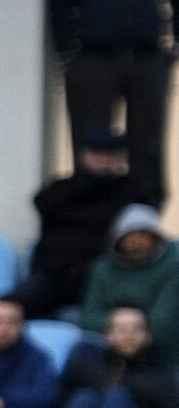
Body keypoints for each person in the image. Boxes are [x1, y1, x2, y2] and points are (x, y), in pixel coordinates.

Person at [50, 0, 179, 205]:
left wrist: (172, 50)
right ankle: (90, 214)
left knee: (147, 145)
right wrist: (67, 53)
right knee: (91, 142)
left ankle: (144, 218)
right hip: (94, 58)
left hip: (146, 57)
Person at [10, 130, 149, 319]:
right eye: (97, 153)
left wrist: (73, 213)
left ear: (119, 158)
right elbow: (43, 203)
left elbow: (138, 222)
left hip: (99, 279)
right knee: (8, 309)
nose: (103, 160)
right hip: (52, 274)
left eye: (109, 154)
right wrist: (91, 182)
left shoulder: (129, 191)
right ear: (85, 156)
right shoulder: (64, 187)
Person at [79, 203, 179, 362]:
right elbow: (89, 315)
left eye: (142, 235)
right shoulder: (102, 268)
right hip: (110, 339)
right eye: (130, 236)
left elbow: (163, 319)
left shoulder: (172, 265)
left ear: (155, 238)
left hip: (157, 343)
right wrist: (119, 324)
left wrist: (132, 328)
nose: (136, 242)